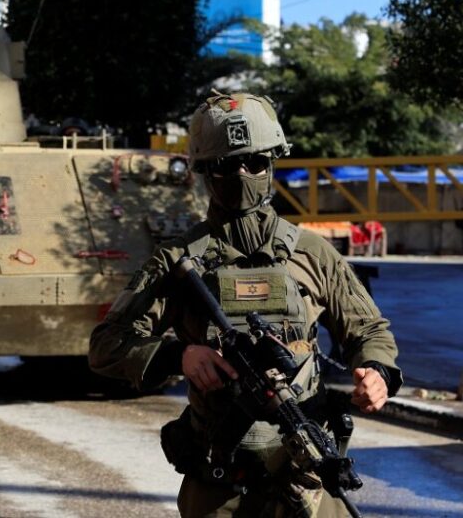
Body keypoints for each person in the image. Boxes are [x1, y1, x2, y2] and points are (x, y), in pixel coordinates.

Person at [88, 91, 402, 517]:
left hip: (306, 475)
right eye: (225, 164)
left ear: (272, 162)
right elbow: (107, 344)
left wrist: (376, 371)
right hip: (220, 480)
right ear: (204, 170)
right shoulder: (178, 261)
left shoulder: (312, 253)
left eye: (254, 162)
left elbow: (368, 329)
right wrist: (180, 356)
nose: (241, 174)